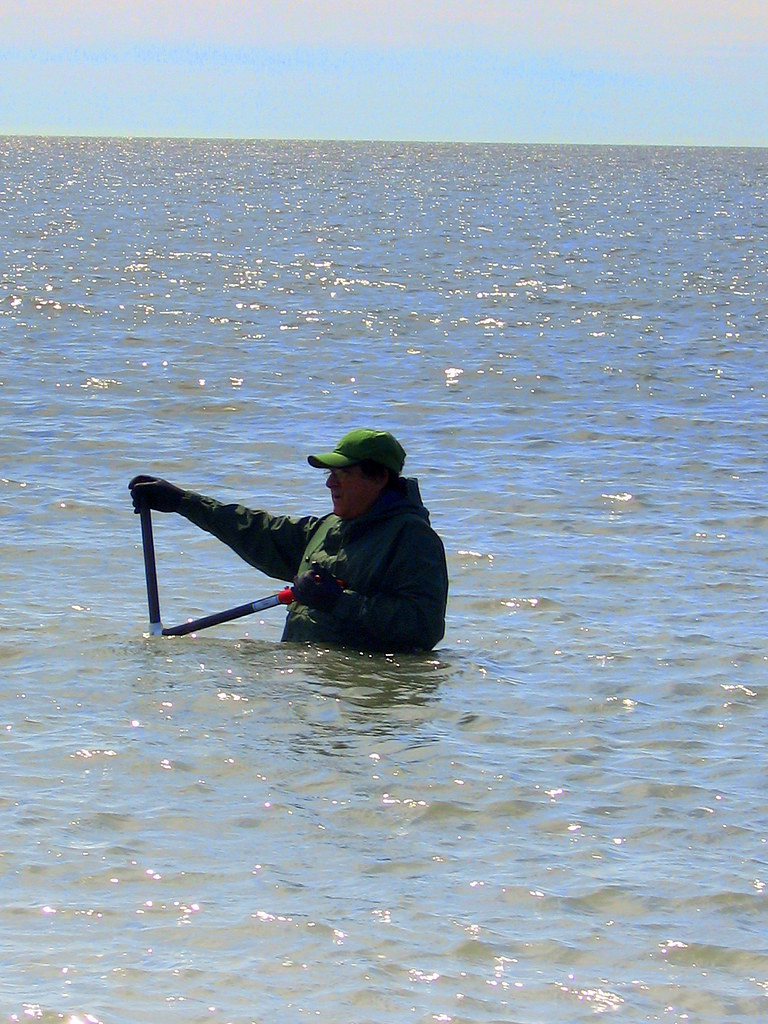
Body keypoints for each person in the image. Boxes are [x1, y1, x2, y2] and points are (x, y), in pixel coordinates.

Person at [128, 428, 448, 652]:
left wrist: (338, 601)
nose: (329, 482)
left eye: (342, 473)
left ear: (379, 478)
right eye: (329, 473)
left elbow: (424, 628)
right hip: (308, 677)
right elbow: (258, 530)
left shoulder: (413, 538)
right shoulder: (327, 528)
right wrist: (183, 502)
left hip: (359, 696)